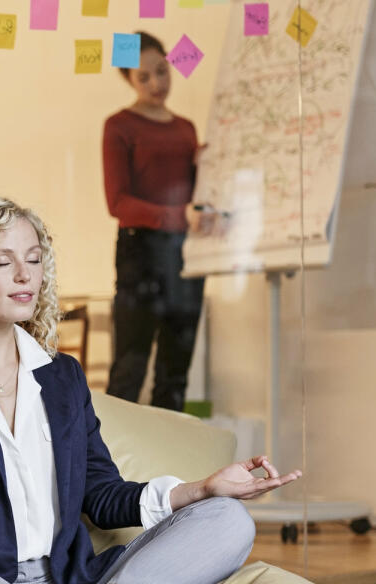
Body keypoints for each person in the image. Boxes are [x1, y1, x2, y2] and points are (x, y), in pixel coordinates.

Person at [0, 194, 299, 584]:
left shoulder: (61, 376)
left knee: (227, 519)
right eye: (2, 262)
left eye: (33, 259)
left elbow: (102, 495)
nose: (24, 275)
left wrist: (202, 489)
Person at [102, 31, 218, 411]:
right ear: (129, 81)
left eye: (161, 71)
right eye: (144, 77)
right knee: (129, 368)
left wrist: (209, 169)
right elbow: (118, 203)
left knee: (176, 370)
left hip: (185, 253)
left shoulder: (186, 129)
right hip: (141, 253)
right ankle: (111, 468)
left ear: (171, 65)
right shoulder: (119, 125)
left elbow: (193, 194)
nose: (156, 83)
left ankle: (172, 470)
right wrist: (175, 217)